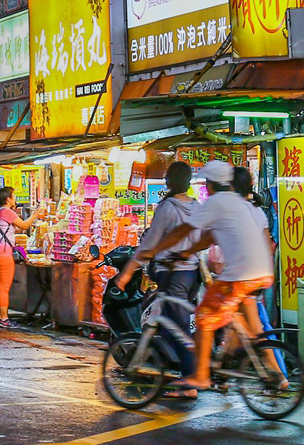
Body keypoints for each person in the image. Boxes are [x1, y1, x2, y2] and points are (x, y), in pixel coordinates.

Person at [118, 161, 280, 397]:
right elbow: (208, 238)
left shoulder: (213, 203)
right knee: (247, 325)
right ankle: (267, 372)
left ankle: (200, 377)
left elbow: (181, 232)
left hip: (237, 276)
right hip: (261, 273)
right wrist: (186, 252)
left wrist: (158, 251)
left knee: (204, 319)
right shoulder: (241, 204)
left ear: (210, 184)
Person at [134, 161, 202, 376]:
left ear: (169, 181)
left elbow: (151, 241)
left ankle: (190, 378)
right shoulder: (196, 206)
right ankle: (178, 367)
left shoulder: (167, 207)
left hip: (173, 273)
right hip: (192, 273)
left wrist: (133, 265)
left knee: (178, 327)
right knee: (172, 321)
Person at [0, 184, 30, 327]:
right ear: (8, 199)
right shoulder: (8, 212)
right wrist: (36, 214)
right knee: (4, 288)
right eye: (14, 197)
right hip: (4, 254)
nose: (15, 199)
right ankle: (4, 318)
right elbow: (24, 225)